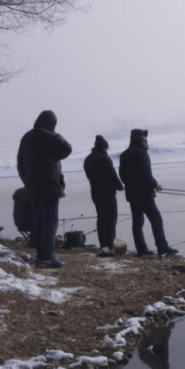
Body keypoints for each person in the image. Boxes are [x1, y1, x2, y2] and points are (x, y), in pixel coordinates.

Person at [17, 110, 72, 268]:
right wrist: (54, 134)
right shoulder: (48, 136)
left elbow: (20, 164)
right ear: (52, 124)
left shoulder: (26, 137)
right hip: (49, 187)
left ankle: (42, 256)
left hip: (32, 189)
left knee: (39, 222)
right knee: (50, 222)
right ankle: (48, 257)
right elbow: (67, 148)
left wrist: (28, 182)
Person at [118, 129, 178, 257]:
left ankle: (142, 250)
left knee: (137, 223)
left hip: (132, 194)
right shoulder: (142, 152)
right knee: (156, 220)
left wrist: (132, 184)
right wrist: (155, 185)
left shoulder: (124, 154)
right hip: (145, 193)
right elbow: (146, 174)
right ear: (140, 138)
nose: (145, 139)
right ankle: (162, 247)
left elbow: (122, 176)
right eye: (144, 137)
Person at [83, 135, 124, 257]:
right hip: (107, 193)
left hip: (95, 193)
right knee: (111, 219)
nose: (107, 150)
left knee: (101, 219)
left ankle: (103, 245)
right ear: (103, 148)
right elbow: (112, 175)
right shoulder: (104, 159)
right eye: (106, 148)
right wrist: (120, 186)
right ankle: (110, 245)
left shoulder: (87, 159)